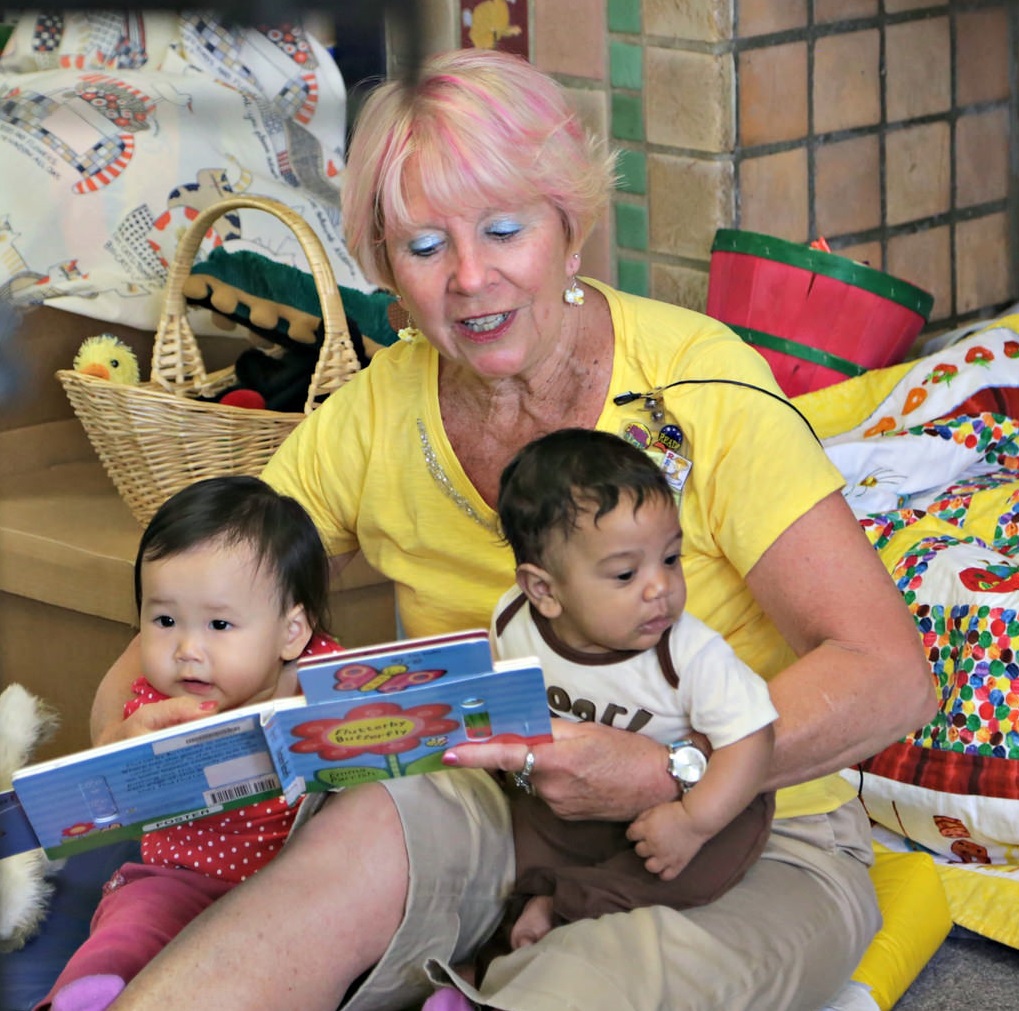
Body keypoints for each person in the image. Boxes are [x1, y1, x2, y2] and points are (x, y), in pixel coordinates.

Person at [89, 48, 935, 1011]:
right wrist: (137, 724)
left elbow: (889, 673)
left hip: (751, 831)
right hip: (492, 809)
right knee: (351, 842)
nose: (470, 277)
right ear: (386, 270)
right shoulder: (370, 417)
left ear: (569, 230)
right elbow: (173, 629)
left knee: (583, 986)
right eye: (424, 246)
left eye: (502, 229)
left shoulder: (699, 383)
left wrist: (675, 768)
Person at [39, 476, 332, 1011]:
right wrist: (121, 754)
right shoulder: (155, 706)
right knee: (131, 921)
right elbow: (103, 803)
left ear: (292, 633)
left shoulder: (329, 679)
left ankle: (433, 990)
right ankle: (89, 991)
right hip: (178, 880)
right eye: (166, 620)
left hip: (299, 886)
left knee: (357, 926)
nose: (187, 649)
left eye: (219, 623)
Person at [488, 428, 776, 955]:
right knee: (511, 833)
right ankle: (524, 911)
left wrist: (693, 821)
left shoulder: (688, 654)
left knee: (695, 865)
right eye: (625, 574)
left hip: (696, 801)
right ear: (544, 590)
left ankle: (563, 908)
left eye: (670, 559)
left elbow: (752, 740)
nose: (660, 587)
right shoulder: (512, 621)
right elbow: (511, 698)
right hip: (578, 801)